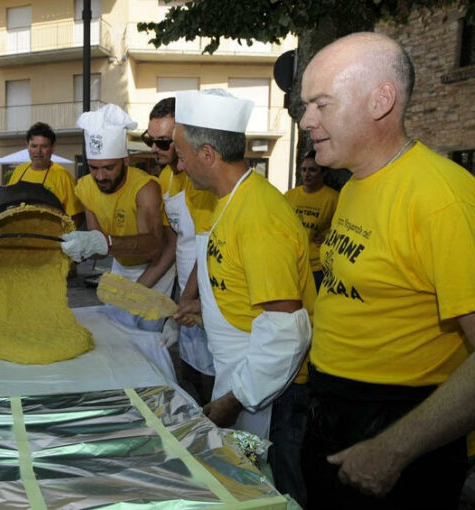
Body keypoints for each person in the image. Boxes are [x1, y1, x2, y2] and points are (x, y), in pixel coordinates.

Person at [299, 32, 475, 509]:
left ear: (381, 100)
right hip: (332, 418)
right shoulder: (357, 181)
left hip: (397, 437)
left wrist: (393, 449)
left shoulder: (442, 200)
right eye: (305, 105)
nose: (305, 120)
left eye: (321, 104)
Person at [172, 89, 315, 505]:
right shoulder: (229, 201)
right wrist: (208, 309)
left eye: (181, 154)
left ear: (208, 155)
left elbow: (287, 329)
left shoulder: (259, 216)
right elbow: (242, 282)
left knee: (271, 491)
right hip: (243, 373)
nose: (178, 165)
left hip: (268, 387)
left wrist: (234, 401)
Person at [61, 104, 176, 332]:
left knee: (147, 333)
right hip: (121, 263)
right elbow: (99, 241)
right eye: (93, 168)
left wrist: (135, 289)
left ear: (125, 161)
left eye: (108, 168)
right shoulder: (85, 187)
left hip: (156, 265)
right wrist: (74, 247)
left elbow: (153, 247)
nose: (100, 176)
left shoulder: (145, 188)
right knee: (117, 330)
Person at [145, 97, 217, 405]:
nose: (154, 149)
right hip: (186, 296)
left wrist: (186, 303)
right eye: (150, 140)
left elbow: (207, 249)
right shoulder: (165, 178)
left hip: (209, 296)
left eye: (163, 142)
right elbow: (174, 243)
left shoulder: (200, 182)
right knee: (190, 382)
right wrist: (140, 287)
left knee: (215, 387)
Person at [7, 122, 84, 227]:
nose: (38, 151)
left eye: (44, 146)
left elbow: (76, 215)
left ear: (52, 148)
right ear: (28, 147)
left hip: (51, 237)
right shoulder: (19, 171)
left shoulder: (63, 176)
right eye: (34, 146)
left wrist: (63, 237)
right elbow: (8, 205)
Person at [284, 150, 339, 290]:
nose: (306, 174)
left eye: (312, 170)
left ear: (323, 173)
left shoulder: (334, 198)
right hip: (292, 264)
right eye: (303, 170)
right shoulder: (289, 196)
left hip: (317, 268)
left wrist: (330, 237)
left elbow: (344, 228)